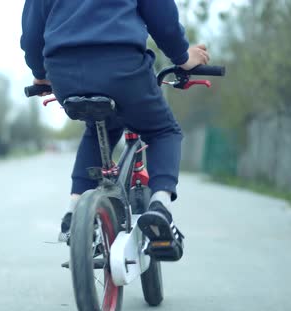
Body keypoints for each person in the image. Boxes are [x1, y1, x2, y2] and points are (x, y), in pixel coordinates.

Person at [21, 0, 210, 260]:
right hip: (123, 68)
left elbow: (32, 34)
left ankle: (74, 209)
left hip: (64, 73)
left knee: (98, 126)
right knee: (163, 132)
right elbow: (162, 17)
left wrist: (40, 74)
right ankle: (160, 208)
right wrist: (183, 57)